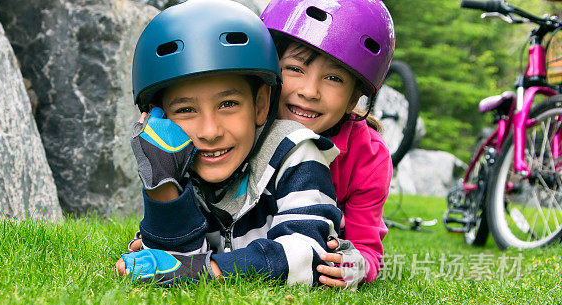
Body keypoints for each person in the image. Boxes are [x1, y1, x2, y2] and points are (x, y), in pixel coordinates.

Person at [116, 0, 348, 287]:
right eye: (186, 110)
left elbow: (307, 256)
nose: (210, 132)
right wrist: (163, 182)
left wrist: (205, 270)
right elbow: (175, 261)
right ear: (157, 118)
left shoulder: (295, 152)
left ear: (261, 104)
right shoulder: (177, 156)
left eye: (228, 104)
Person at [261, 0, 396, 287]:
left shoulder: (367, 156)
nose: (309, 91)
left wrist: (356, 265)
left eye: (333, 78)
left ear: (353, 98)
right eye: (295, 69)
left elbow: (367, 249)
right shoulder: (246, 122)